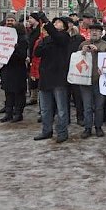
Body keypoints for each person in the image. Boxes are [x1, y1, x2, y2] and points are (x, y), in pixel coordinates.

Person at [33, 13, 71, 143]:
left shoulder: (64, 37)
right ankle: (46, 130)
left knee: (61, 109)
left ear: (65, 26)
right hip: (46, 77)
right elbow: (37, 53)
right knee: (45, 108)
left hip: (58, 78)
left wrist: (45, 21)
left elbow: (57, 36)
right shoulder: (48, 38)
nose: (56, 24)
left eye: (59, 22)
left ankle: (62, 132)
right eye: (54, 22)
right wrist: (43, 42)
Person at [78, 23, 106, 139]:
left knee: (99, 106)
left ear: (101, 33)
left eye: (97, 30)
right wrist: (82, 52)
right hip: (85, 80)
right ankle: (87, 128)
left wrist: (98, 51)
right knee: (87, 106)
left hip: (100, 80)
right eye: (92, 30)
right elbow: (76, 59)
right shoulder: (83, 44)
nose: (94, 32)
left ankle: (98, 127)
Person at [0, 22, 28, 123]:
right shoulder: (5, 40)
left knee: (18, 93)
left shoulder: (22, 40)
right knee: (8, 92)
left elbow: (22, 56)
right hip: (8, 68)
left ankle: (18, 113)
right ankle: (8, 112)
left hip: (17, 70)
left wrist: (14, 49)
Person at [67, 18, 85, 125]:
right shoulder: (61, 38)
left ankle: (80, 117)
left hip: (76, 70)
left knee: (78, 96)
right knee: (65, 97)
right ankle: (66, 118)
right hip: (64, 70)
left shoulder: (79, 38)